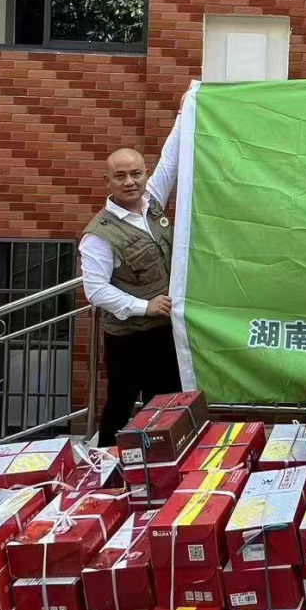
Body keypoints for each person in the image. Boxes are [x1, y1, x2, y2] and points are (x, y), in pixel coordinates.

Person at [79, 115, 182, 446]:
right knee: (120, 406)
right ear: (107, 181)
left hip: (165, 330)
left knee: (166, 404)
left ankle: (158, 462)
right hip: (129, 338)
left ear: (145, 174)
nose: (130, 182)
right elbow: (95, 290)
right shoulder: (99, 234)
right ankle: (105, 464)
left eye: (136, 174)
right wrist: (144, 306)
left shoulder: (152, 204)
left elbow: (170, 160)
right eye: (120, 176)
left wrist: (185, 111)